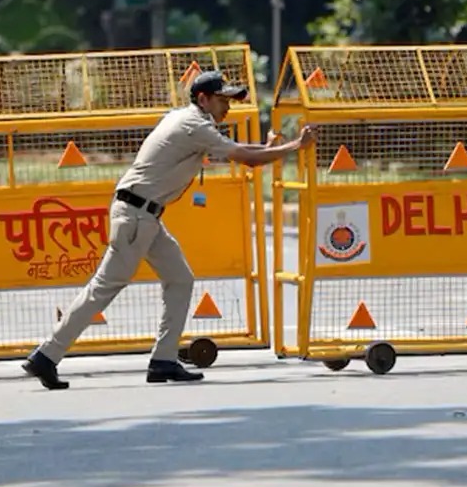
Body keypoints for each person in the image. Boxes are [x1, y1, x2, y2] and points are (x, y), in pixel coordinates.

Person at [22, 70, 317, 390]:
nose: (227, 107)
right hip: (136, 217)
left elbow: (239, 149)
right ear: (203, 99)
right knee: (102, 289)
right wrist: (295, 146)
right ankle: (46, 356)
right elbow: (248, 160)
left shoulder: (188, 120)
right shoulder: (194, 125)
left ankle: (163, 360)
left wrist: (267, 146)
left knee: (180, 279)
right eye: (222, 100)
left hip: (144, 217)